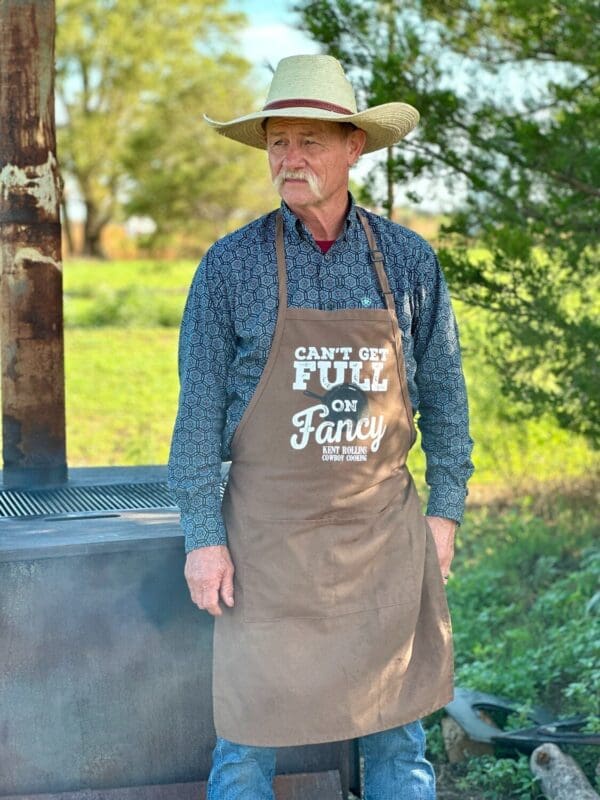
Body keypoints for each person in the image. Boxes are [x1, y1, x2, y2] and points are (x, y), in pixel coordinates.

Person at [168, 54, 474, 800]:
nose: (289, 158)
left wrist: (445, 510)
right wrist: (203, 537)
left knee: (398, 738)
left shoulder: (406, 261)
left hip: (381, 544)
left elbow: (445, 396)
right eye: (278, 142)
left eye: (309, 141)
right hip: (268, 551)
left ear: (353, 149)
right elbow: (197, 414)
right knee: (246, 744)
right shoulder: (229, 266)